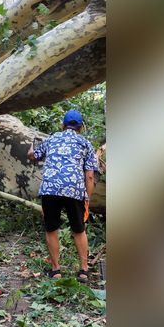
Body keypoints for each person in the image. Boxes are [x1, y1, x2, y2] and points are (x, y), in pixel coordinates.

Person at [28, 109, 100, 282]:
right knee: (79, 229)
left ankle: (56, 270)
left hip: (50, 189)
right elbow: (89, 176)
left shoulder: (52, 138)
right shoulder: (85, 143)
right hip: (74, 190)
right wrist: (86, 199)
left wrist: (31, 149)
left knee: (51, 228)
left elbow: (32, 156)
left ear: (63, 125)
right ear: (81, 127)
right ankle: (83, 270)